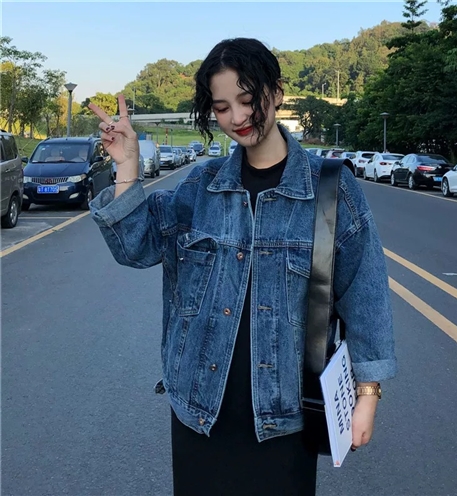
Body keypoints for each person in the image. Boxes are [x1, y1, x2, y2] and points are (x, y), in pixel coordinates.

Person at [88, 38, 397, 496]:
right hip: (199, 410)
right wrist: (127, 166)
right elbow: (136, 247)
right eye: (221, 107)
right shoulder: (202, 185)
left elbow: (364, 294)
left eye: (248, 100)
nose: (237, 117)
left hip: (285, 417)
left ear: (277, 92)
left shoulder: (331, 188)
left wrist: (367, 394)